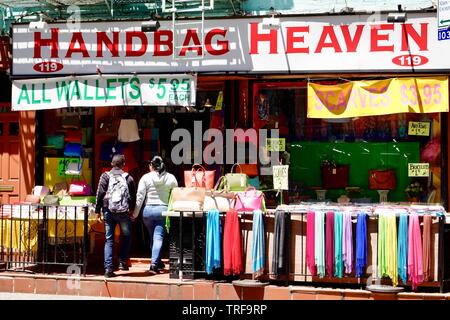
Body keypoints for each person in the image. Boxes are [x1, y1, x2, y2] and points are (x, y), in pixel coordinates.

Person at [133, 156, 178, 273]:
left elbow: (140, 197)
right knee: (158, 237)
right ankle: (154, 264)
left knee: (153, 236)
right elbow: (176, 195)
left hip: (147, 212)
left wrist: (135, 214)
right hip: (162, 211)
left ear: (151, 166)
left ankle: (157, 262)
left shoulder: (145, 177)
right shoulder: (171, 178)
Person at [95, 154, 136, 278]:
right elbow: (133, 196)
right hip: (124, 213)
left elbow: (100, 194)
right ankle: (123, 261)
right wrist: (132, 210)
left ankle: (108, 269)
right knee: (127, 236)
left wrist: (98, 211)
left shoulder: (105, 176)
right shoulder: (128, 178)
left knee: (109, 240)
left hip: (108, 211)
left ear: (112, 164)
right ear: (123, 165)